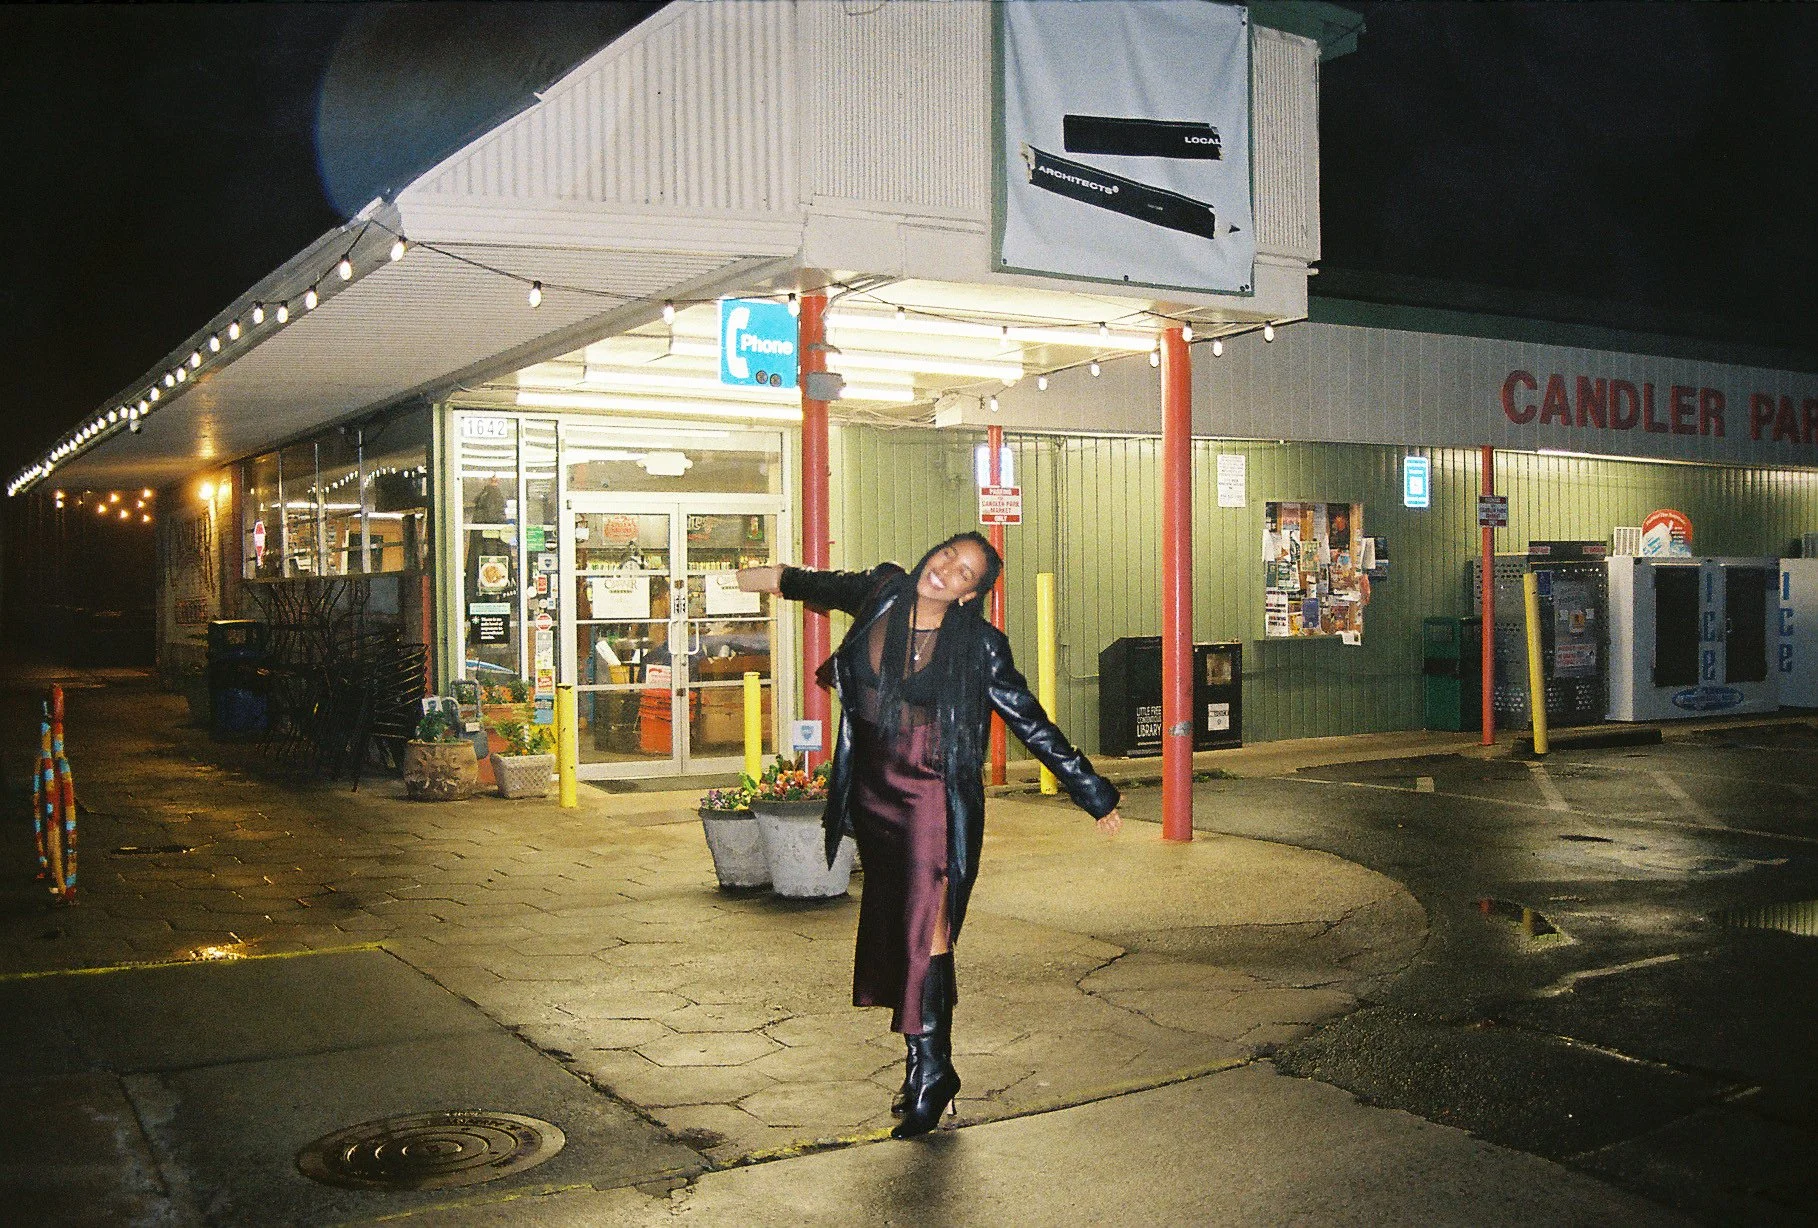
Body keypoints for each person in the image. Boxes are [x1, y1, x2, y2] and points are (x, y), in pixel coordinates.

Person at [738, 532, 1122, 1139]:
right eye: (948, 556)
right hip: (874, 792)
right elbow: (818, 583)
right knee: (902, 926)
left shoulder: (978, 645)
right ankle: (930, 1068)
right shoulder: (882, 594)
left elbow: (1028, 718)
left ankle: (928, 1070)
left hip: (931, 795)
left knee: (930, 927)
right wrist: (761, 577)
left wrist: (1092, 791)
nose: (947, 571)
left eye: (964, 573)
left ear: (972, 594)